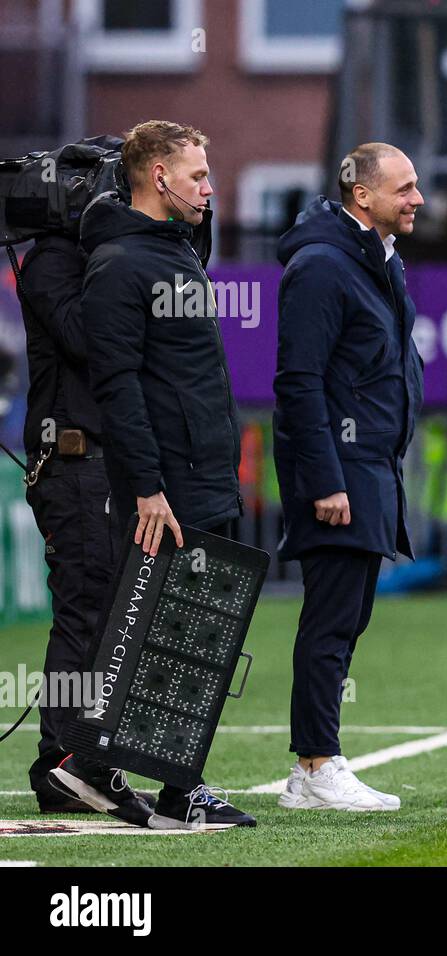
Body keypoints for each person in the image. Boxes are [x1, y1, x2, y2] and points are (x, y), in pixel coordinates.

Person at [55, 120, 255, 829]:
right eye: (198, 175)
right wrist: (145, 484)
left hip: (197, 470)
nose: (210, 187)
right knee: (174, 631)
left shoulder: (172, 251)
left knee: (189, 630)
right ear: (158, 178)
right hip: (167, 481)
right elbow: (119, 385)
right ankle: (156, 782)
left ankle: (126, 772)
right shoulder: (120, 264)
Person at [272, 143, 425, 811]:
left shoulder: (375, 261)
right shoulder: (321, 268)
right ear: (363, 196)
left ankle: (317, 761)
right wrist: (326, 480)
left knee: (347, 617)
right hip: (341, 472)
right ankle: (315, 766)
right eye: (406, 188)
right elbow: (298, 383)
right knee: (332, 620)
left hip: (370, 467)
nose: (418, 199)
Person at [16, 225, 119, 815]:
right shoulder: (54, 261)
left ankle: (87, 761)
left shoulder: (105, 256)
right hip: (73, 462)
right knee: (83, 610)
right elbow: (85, 338)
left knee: (105, 612)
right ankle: (59, 761)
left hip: (107, 463)